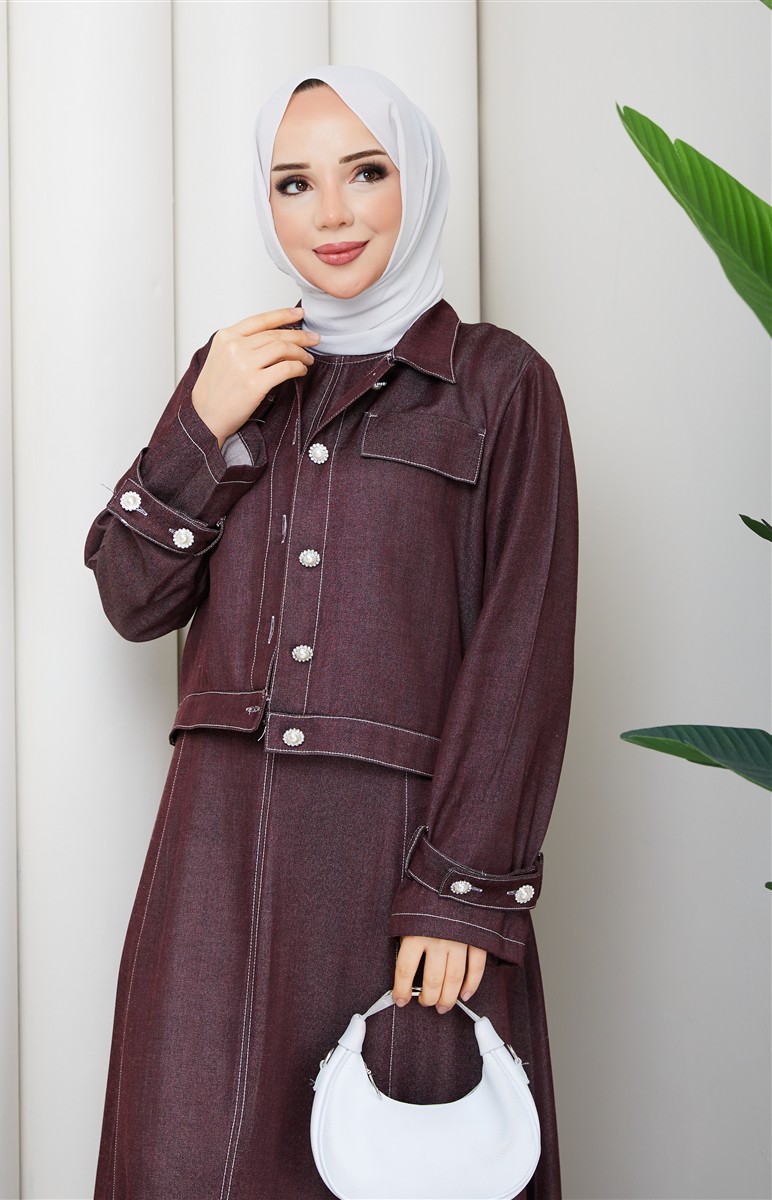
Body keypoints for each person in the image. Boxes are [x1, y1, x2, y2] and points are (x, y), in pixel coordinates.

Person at [86, 64, 577, 1200]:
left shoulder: (499, 386)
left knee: (399, 1163)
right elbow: (130, 598)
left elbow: (522, 653)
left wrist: (462, 894)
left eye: (366, 172)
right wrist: (202, 424)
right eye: (294, 183)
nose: (332, 214)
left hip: (392, 858)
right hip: (212, 855)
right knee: (188, 1158)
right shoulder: (235, 373)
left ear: (420, 181)